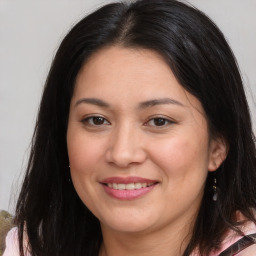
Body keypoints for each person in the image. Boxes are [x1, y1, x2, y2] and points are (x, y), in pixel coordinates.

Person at [3, 0, 256, 255]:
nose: (122, 154)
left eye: (159, 121)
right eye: (96, 120)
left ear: (218, 146)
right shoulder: (31, 247)